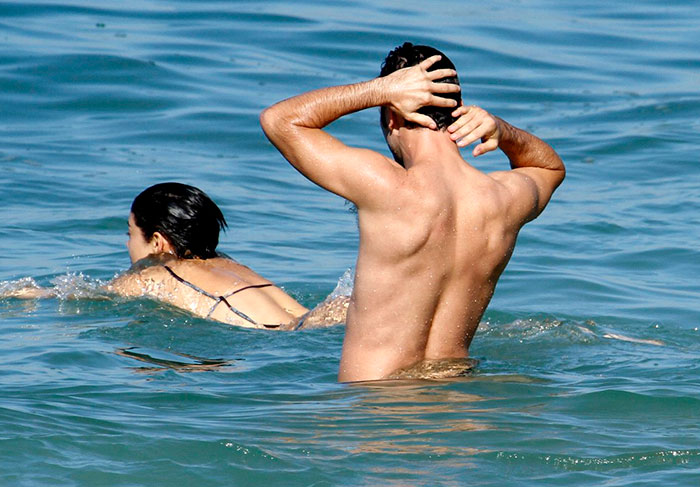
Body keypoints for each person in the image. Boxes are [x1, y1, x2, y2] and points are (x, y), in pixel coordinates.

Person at [260, 42, 565, 381]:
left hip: (378, 404)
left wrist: (378, 90)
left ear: (392, 116)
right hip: (458, 401)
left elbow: (279, 120)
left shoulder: (386, 186)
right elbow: (550, 168)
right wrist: (503, 131)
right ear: (457, 110)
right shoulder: (503, 198)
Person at [5, 182, 348, 329]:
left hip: (279, 339)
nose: (127, 244)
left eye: (129, 233)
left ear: (156, 241)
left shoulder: (151, 275)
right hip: (321, 317)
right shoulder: (228, 263)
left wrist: (24, 295)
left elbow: (89, 298)